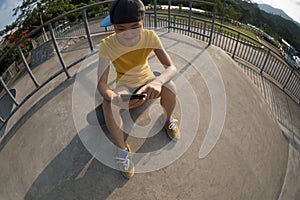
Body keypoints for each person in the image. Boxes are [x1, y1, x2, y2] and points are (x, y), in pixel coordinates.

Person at [97, 0, 180, 178]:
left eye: (136, 27)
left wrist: (158, 82)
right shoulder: (106, 45)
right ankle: (122, 150)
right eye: (121, 29)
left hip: (148, 77)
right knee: (108, 104)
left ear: (143, 21)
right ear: (113, 27)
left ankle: (168, 119)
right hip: (125, 84)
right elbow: (102, 85)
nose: (129, 34)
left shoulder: (150, 36)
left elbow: (171, 67)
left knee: (170, 86)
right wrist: (114, 97)